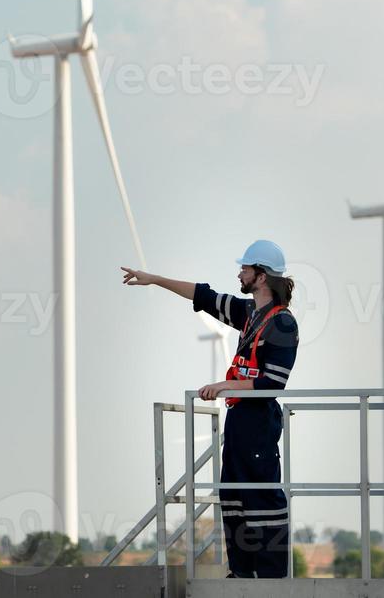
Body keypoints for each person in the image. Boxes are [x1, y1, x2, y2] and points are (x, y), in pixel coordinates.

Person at [122, 240, 299, 579]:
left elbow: (273, 384)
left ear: (261, 278)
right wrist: (154, 279)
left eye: (245, 269)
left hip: (258, 423)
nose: (240, 274)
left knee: (263, 502)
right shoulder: (250, 314)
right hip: (239, 422)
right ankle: (241, 574)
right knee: (232, 498)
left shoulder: (282, 325)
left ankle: (271, 581)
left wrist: (224, 386)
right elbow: (205, 296)